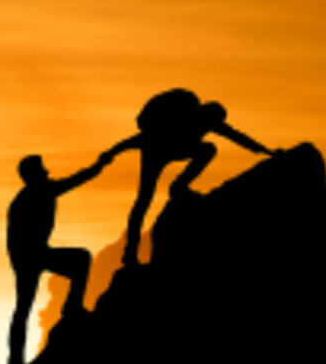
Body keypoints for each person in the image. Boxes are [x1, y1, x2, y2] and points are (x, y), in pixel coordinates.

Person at [104, 90, 275, 267]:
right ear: (202, 113)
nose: (209, 127)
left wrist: (265, 151)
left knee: (208, 149)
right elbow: (138, 139)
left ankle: (178, 185)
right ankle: (130, 252)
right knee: (143, 201)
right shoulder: (177, 118)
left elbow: (238, 137)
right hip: (156, 151)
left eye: (213, 124)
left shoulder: (209, 121)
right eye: (210, 123)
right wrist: (112, 152)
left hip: (177, 149)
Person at [6, 152, 113, 364]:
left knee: (23, 307)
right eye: (42, 171)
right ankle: (72, 308)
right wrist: (99, 165)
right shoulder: (40, 192)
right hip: (31, 255)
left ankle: (15, 360)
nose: (47, 174)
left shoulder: (28, 196)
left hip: (27, 255)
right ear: (33, 175)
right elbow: (78, 179)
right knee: (81, 259)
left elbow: (12, 238)